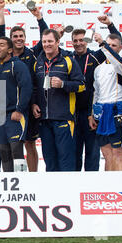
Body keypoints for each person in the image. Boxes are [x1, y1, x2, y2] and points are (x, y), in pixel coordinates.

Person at [0, 0, 49, 172]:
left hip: (27, 107)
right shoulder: (2, 58)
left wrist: (39, 18)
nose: (18, 39)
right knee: (7, 149)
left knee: (29, 144)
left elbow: (46, 36)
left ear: (25, 38)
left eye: (21, 36)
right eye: (15, 36)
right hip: (7, 112)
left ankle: (30, 178)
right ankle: (13, 180)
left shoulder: (32, 53)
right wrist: (1, 10)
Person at [71, 15, 122, 172]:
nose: (79, 43)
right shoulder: (67, 57)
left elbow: (117, 45)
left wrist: (110, 25)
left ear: (86, 41)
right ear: (72, 42)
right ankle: (75, 187)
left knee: (92, 153)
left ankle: (90, 186)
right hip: (71, 113)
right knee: (74, 153)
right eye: (75, 40)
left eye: (82, 40)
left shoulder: (96, 56)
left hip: (91, 113)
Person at [31, 29, 85, 172]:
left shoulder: (68, 61)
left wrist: (63, 84)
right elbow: (35, 87)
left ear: (57, 42)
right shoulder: (38, 63)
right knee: (50, 162)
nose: (47, 44)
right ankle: (52, 194)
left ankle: (67, 194)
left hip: (64, 119)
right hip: (44, 120)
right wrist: (34, 103)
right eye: (44, 41)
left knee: (66, 162)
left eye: (50, 41)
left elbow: (81, 85)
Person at [90, 33, 122, 171]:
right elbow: (96, 93)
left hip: (118, 111)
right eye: (109, 45)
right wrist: (92, 114)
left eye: (114, 46)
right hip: (102, 113)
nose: (111, 48)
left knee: (118, 152)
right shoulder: (98, 68)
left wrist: (103, 44)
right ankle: (110, 187)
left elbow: (116, 60)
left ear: (120, 48)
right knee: (106, 154)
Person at [0, 36, 32, 172]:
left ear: (10, 50)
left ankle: (21, 183)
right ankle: (9, 186)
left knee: (16, 151)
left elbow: (26, 87)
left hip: (14, 116)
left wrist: (19, 110)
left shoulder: (18, 65)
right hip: (0, 118)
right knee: (4, 153)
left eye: (1, 45)